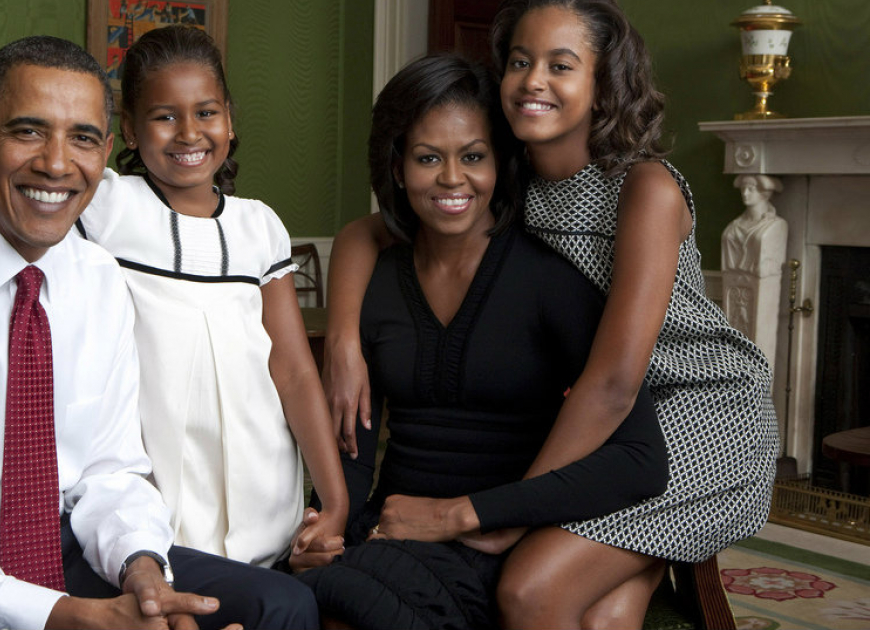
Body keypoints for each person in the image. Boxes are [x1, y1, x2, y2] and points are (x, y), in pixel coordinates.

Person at [0, 35, 317, 630]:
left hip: (58, 547)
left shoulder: (97, 278)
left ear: (107, 149)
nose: (57, 163)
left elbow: (112, 472)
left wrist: (142, 569)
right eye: (27, 131)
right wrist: (65, 617)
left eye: (83, 138)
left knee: (283, 605)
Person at [323, 0, 779, 627]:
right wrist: (344, 337)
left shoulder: (646, 188)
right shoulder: (510, 180)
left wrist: (502, 510)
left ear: (604, 85)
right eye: (519, 61)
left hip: (700, 413)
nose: (534, 79)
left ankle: (644, 560)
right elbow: (365, 233)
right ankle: (639, 571)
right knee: (603, 614)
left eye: (561, 65)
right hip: (613, 422)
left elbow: (616, 382)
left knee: (528, 589)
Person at [294, 53, 668, 630]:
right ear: (397, 168)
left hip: (501, 542)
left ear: (500, 163)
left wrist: (476, 516)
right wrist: (327, 526)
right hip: (394, 530)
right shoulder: (376, 278)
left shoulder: (551, 276)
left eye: (473, 156)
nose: (451, 179)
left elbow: (639, 462)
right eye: (426, 158)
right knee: (301, 596)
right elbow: (354, 447)